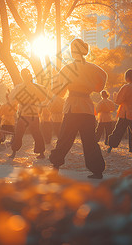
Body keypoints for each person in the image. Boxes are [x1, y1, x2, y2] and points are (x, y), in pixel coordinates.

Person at [49, 39, 107, 179]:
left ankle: (55, 165)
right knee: (90, 141)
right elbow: (103, 77)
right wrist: (96, 88)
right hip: (87, 107)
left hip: (72, 107)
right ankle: (97, 170)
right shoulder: (94, 68)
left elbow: (59, 90)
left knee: (65, 138)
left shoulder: (68, 68)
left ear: (73, 51)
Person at [8, 68, 48, 160]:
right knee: (36, 132)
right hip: (33, 112)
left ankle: (14, 152)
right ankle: (41, 153)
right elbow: (43, 97)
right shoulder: (38, 87)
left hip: (24, 113)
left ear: (22, 76)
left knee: (19, 133)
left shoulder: (19, 87)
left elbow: (12, 100)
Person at [107, 69, 132, 158]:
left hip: (125, 112)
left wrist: (115, 96)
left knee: (118, 130)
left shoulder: (126, 87)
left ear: (127, 77)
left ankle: (111, 146)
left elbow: (118, 101)